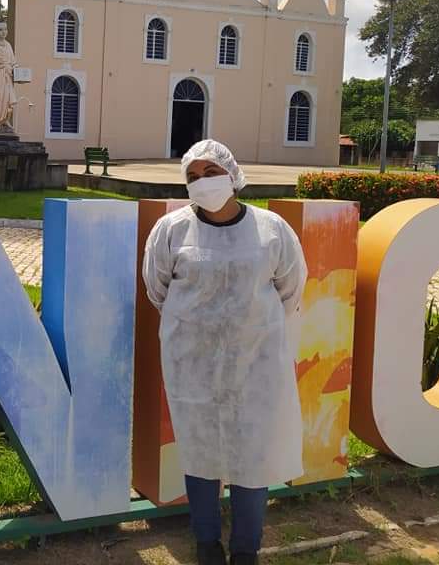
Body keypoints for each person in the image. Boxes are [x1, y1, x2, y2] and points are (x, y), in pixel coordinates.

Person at [142, 140, 307, 565]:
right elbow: (157, 288)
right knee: (199, 453)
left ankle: (246, 548)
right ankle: (206, 543)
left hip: (256, 363)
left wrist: (246, 330)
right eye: (193, 177)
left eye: (211, 172)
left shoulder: (271, 230)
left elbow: (290, 289)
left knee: (253, 455)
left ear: (232, 175)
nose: (202, 183)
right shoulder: (172, 230)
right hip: (191, 364)